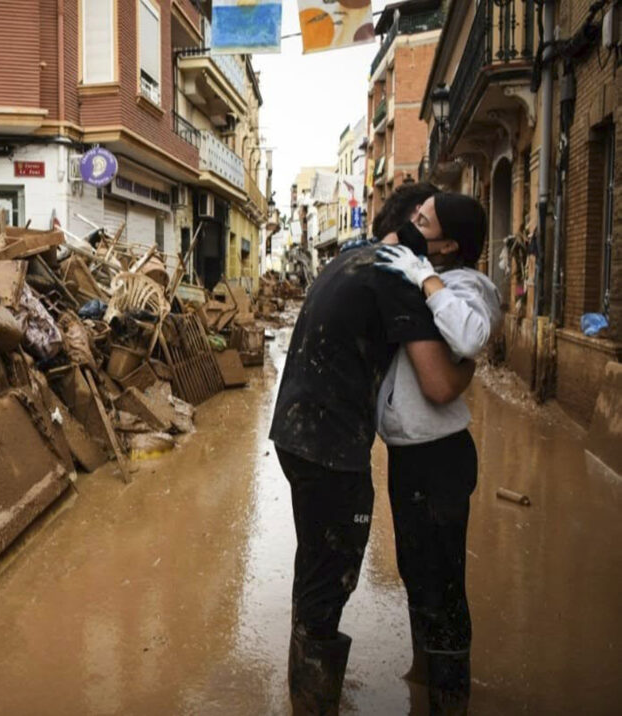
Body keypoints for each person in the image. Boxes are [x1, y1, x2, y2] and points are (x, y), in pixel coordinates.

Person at [269, 182, 475, 714]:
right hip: (331, 444)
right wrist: (471, 359)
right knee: (332, 576)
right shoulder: (396, 274)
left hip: (296, 433)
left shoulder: (353, 258)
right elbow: (438, 384)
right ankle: (314, 702)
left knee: (315, 562)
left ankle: (306, 693)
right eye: (424, 224)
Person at [374, 193, 500, 715]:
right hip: (408, 456)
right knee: (413, 569)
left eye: (423, 221)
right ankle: (422, 676)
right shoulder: (417, 271)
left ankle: (451, 695)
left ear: (449, 244)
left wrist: (426, 279)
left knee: (443, 582)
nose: (411, 224)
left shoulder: (472, 286)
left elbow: (469, 338)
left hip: (442, 457)